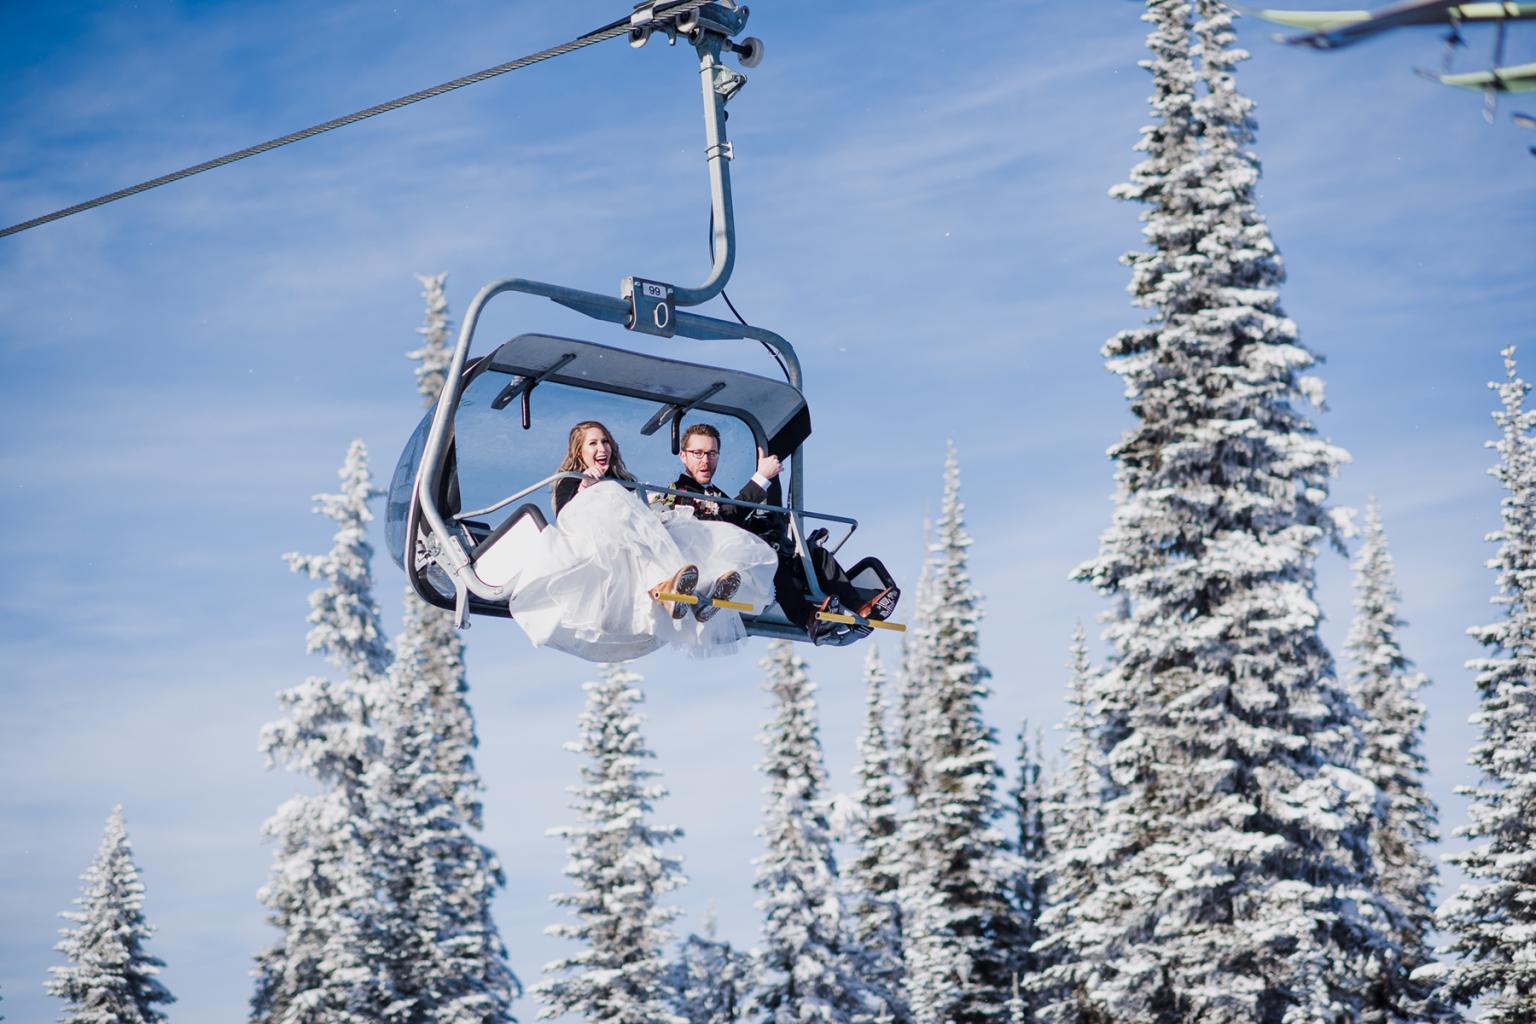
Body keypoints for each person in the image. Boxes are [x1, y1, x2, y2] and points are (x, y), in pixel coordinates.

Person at [505, 420, 777, 661]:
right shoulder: (571, 480)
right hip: (598, 536)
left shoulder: (625, 482)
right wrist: (585, 487)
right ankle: (674, 590)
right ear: (580, 451)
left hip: (633, 536)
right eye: (593, 443)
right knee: (613, 498)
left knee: (688, 536)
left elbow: (641, 513)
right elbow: (566, 514)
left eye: (605, 441)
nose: (602, 448)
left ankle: (701, 592)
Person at [657, 423, 896, 645]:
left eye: (711, 454)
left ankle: (860, 607)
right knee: (770, 558)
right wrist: (760, 479)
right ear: (684, 456)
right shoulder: (679, 492)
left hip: (744, 557)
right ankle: (809, 618)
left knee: (815, 557)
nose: (705, 460)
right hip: (717, 563)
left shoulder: (716, 492)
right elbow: (720, 521)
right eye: (698, 453)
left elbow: (735, 519)